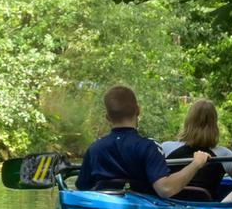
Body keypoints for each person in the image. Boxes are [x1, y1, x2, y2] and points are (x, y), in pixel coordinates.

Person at [76, 85, 214, 198]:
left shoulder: (94, 148)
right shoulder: (149, 147)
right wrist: (196, 163)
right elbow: (165, 189)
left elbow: (82, 190)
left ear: (107, 117)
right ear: (138, 110)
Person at [159, 99, 232, 203]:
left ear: (187, 122)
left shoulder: (165, 148)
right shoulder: (224, 155)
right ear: (214, 124)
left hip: (171, 204)